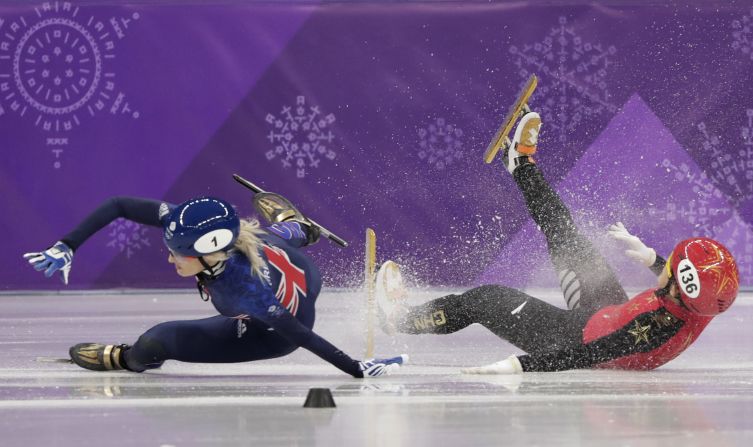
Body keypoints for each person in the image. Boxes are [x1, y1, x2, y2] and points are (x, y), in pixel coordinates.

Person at [376, 111, 739, 374]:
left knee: (484, 300)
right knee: (566, 234)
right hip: (607, 313)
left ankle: (398, 319)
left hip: (574, 339)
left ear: (676, 289)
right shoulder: (702, 303)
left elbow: (584, 356)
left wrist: (519, 365)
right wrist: (651, 258)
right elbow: (689, 284)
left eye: (669, 265)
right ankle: (520, 163)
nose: (666, 263)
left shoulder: (649, 331)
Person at [24, 195, 406, 377]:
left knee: (158, 340)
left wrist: (356, 367)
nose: (170, 259)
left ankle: (124, 359)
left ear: (209, 254)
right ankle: (299, 227)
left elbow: (298, 333)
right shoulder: (213, 234)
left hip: (274, 328)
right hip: (299, 269)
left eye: (177, 254)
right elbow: (120, 205)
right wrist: (67, 246)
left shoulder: (243, 287)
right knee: (267, 236)